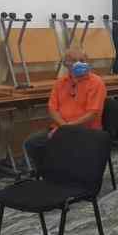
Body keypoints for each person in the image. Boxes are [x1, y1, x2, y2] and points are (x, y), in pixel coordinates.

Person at [24, 46, 107, 175]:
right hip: (60, 127)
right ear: (65, 64)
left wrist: (65, 130)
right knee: (32, 143)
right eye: (74, 60)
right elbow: (52, 109)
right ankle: (48, 173)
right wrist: (63, 128)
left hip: (86, 130)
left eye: (82, 60)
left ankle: (68, 175)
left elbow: (92, 114)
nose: (79, 63)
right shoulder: (60, 83)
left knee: (64, 144)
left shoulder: (96, 82)